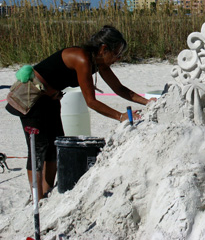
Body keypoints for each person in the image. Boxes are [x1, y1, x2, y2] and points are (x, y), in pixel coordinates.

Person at [5, 25, 155, 201]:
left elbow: (119, 88)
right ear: (103, 49)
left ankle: (46, 193)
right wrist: (120, 116)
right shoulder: (82, 59)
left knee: (55, 145)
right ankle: (36, 199)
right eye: (116, 54)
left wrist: (148, 102)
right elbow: (91, 101)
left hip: (51, 99)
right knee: (37, 149)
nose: (118, 59)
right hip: (31, 98)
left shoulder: (100, 63)